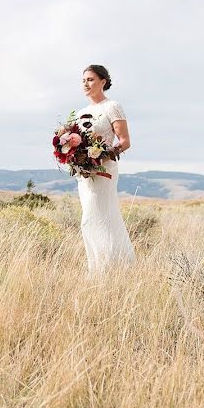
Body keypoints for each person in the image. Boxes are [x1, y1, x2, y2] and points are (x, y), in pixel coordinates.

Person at [75, 64, 136, 275]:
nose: (86, 84)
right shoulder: (81, 113)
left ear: (103, 81)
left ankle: (115, 267)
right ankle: (96, 268)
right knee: (88, 218)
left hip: (105, 170)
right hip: (85, 175)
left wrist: (100, 157)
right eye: (84, 80)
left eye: (91, 79)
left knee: (102, 215)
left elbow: (124, 141)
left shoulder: (112, 107)